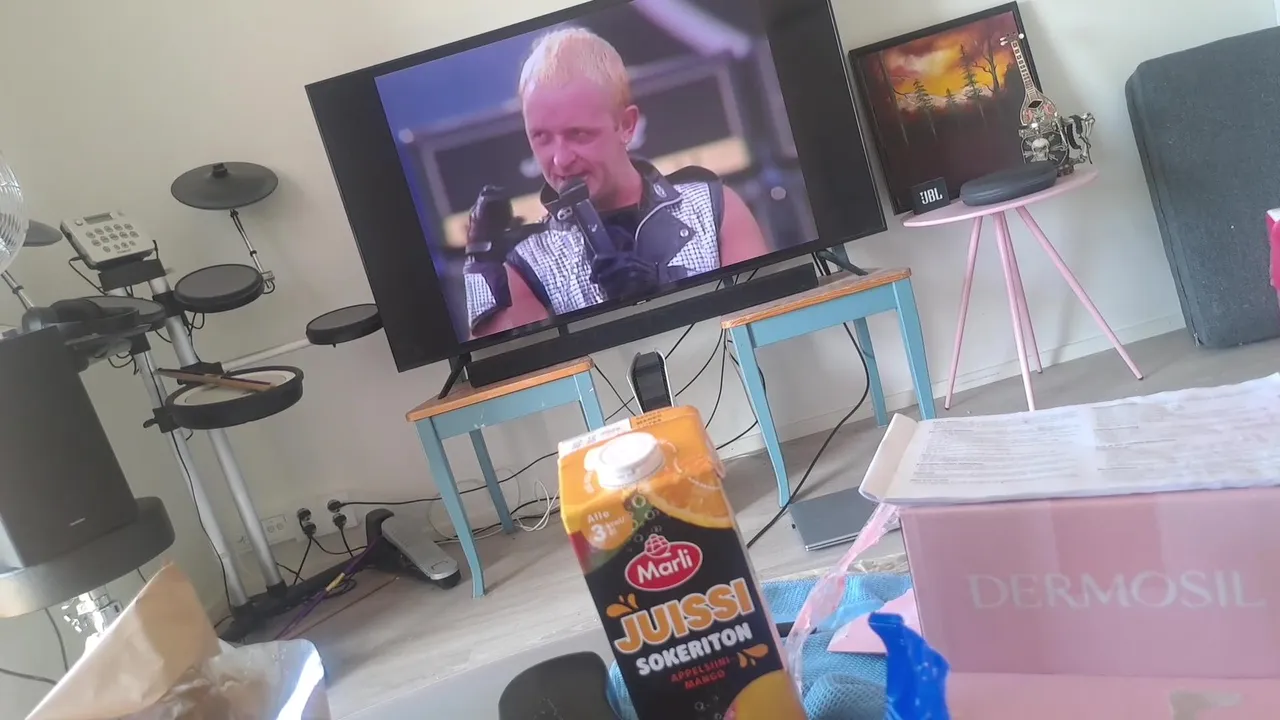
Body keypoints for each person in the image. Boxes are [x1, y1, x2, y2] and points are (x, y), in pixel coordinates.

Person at [465, 27, 770, 338]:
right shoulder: (528, 262)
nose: (560, 160)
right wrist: (479, 263)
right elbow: (509, 363)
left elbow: (766, 327)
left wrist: (664, 294)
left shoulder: (713, 207)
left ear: (626, 125)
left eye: (578, 134)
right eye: (541, 137)